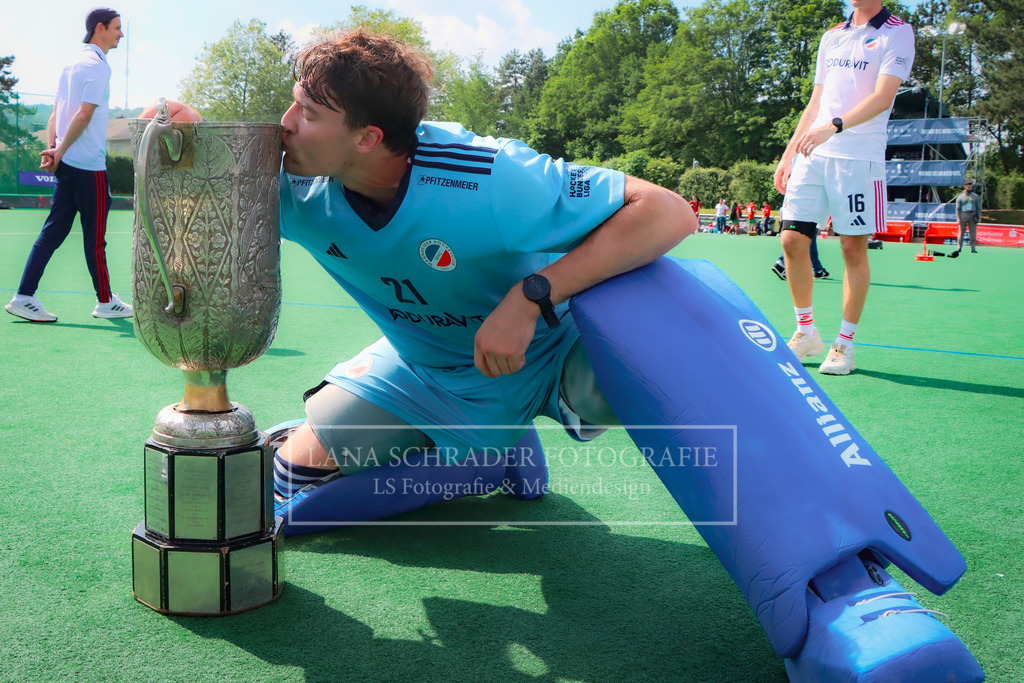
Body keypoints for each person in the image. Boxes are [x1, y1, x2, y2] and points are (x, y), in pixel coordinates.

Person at [263, 30, 694, 506]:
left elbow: (665, 211)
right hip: (429, 367)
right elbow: (195, 197)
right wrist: (182, 138)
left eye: (307, 113)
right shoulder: (294, 190)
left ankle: (499, 428)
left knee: (651, 371)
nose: (284, 123)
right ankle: (491, 445)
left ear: (368, 138)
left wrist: (531, 297)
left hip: (553, 346)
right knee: (290, 475)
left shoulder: (488, 174)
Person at [773, 1, 914, 375]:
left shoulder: (897, 32)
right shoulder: (831, 36)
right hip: (812, 152)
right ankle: (806, 332)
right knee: (791, 239)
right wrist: (788, 154)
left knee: (852, 247)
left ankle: (844, 345)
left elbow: (883, 97)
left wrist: (833, 126)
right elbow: (815, 101)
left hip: (858, 157)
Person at [5, 8, 132, 323]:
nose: (121, 34)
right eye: (117, 28)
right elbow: (83, 115)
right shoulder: (99, 67)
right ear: (99, 28)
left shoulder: (70, 65)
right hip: (88, 167)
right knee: (95, 239)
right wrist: (58, 149)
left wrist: (53, 149)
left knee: (53, 232)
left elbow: (54, 113)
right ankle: (105, 302)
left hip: (67, 165)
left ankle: (23, 296)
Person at [954, 178, 981, 253]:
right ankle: (959, 247)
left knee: (973, 233)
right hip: (963, 214)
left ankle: (973, 248)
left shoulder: (975, 197)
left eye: (971, 187)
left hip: (973, 215)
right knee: (961, 232)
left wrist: (979, 216)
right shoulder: (960, 197)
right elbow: (957, 209)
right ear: (965, 187)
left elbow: (979, 207)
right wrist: (958, 218)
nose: (970, 188)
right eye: (969, 187)